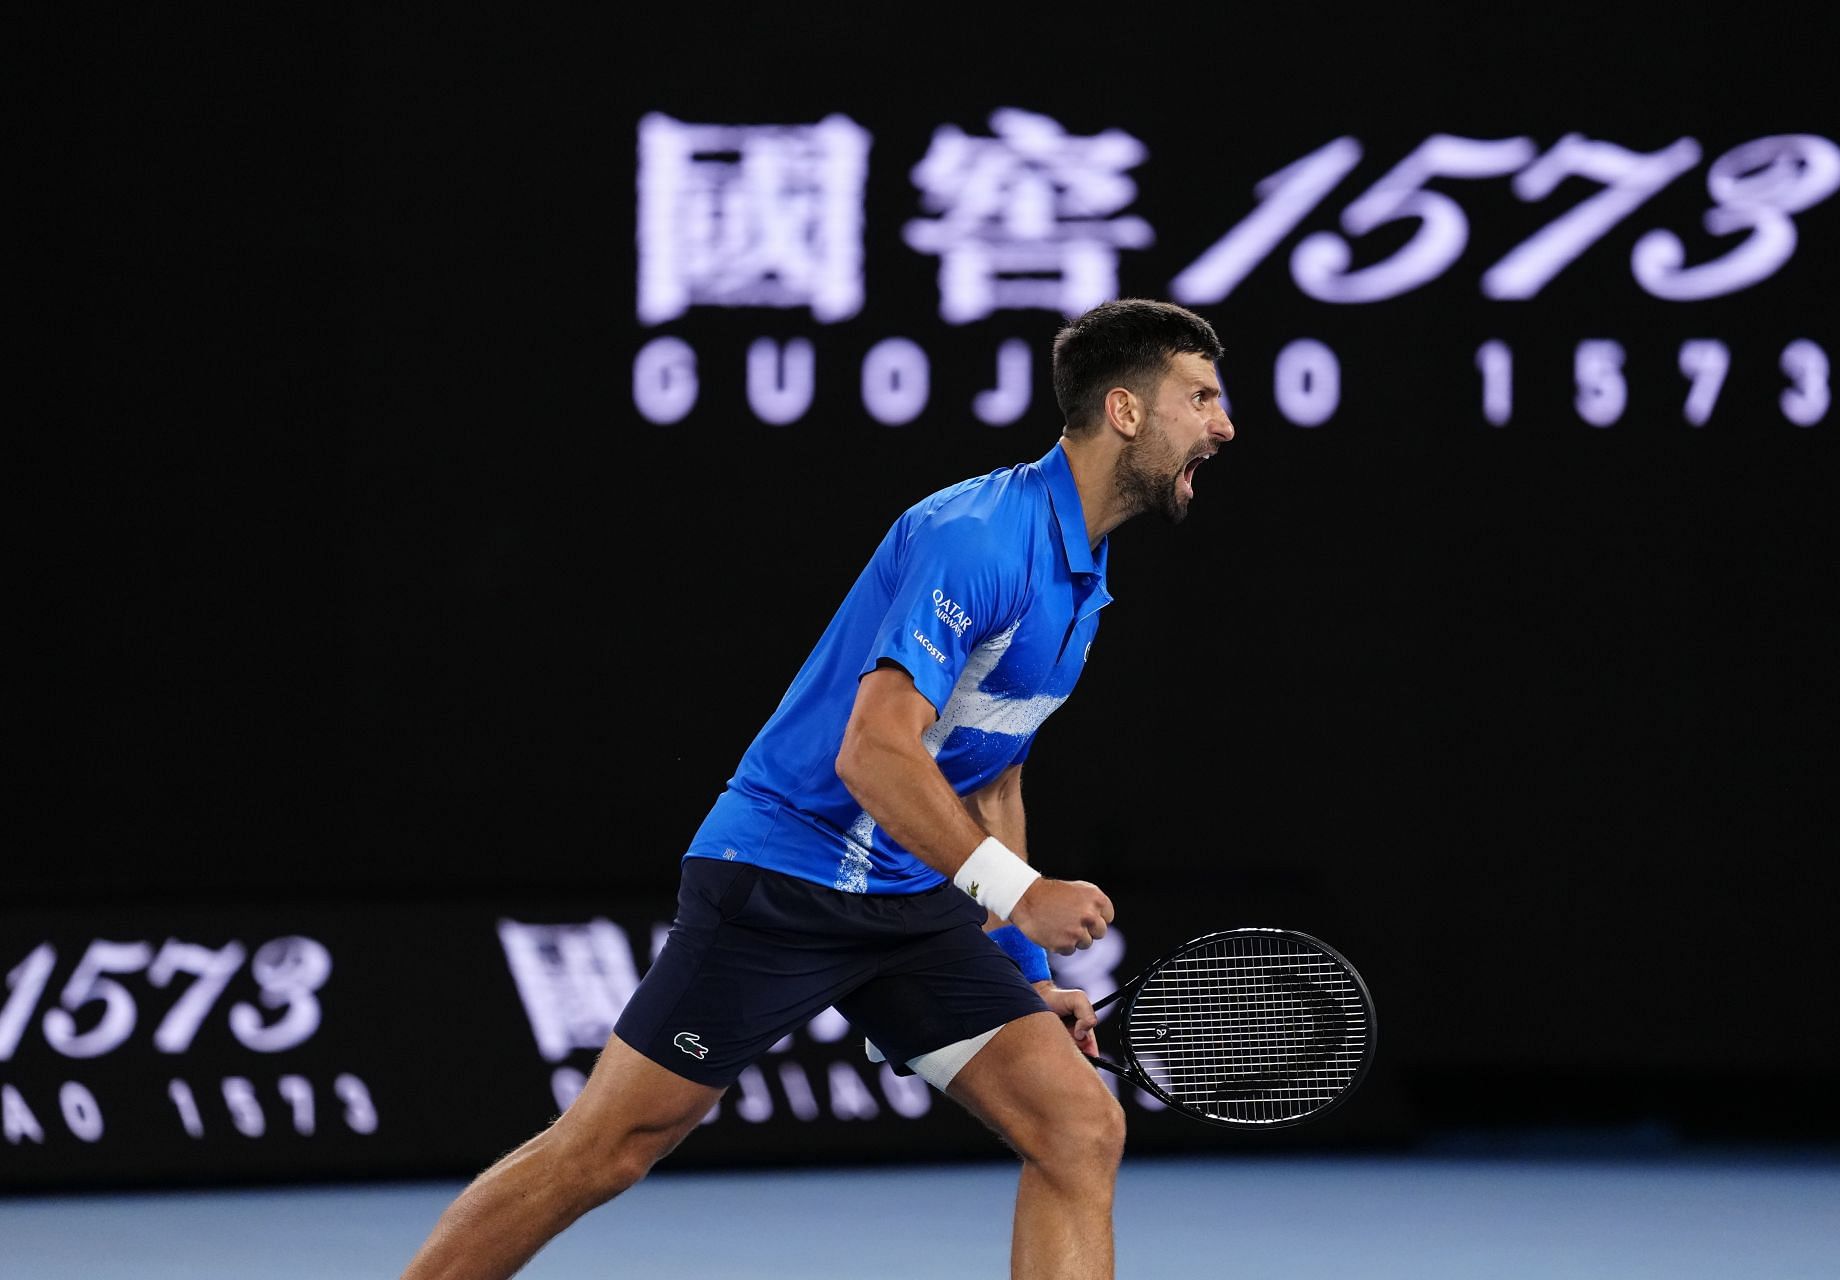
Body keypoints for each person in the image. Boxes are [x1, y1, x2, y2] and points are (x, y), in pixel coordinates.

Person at [399, 297, 1234, 1280]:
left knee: (1076, 1124)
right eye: (1202, 397)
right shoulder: (974, 537)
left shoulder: (1083, 578)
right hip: (784, 873)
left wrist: (1014, 961)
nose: (1223, 426)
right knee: (608, 1148)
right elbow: (873, 754)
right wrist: (1018, 893)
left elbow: (991, 769)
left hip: (910, 895)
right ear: (1127, 411)